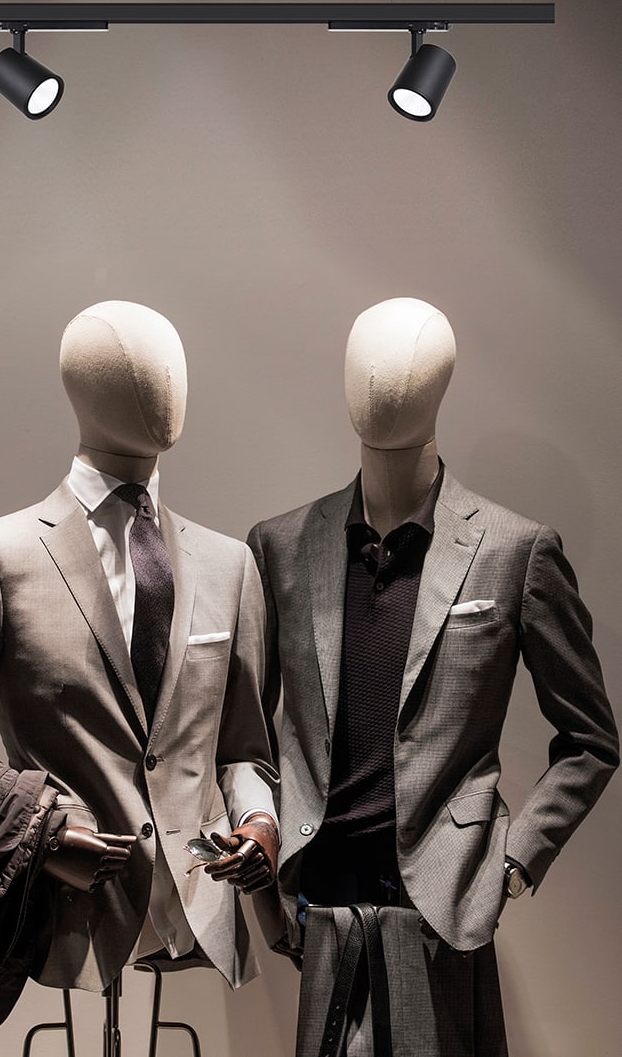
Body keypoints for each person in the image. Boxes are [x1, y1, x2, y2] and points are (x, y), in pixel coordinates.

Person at [0, 300, 278, 994]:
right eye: (138, 371)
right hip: (66, 917)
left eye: (170, 370)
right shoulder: (0, 556)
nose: (164, 387)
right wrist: (36, 828)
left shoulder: (228, 563)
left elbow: (243, 749)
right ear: (84, 385)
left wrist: (261, 820)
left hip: (199, 908)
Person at [248, 297, 618, 1055]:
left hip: (445, 910)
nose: (380, 383)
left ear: (441, 382)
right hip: (319, 906)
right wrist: (264, 851)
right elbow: (247, 735)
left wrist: (511, 864)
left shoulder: (515, 551)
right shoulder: (281, 546)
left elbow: (590, 739)